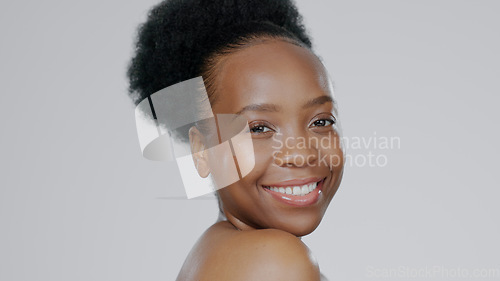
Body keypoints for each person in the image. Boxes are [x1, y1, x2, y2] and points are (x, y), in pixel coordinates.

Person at [127, 0, 345, 280]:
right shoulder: (275, 261)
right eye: (259, 128)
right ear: (202, 150)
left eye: (321, 122)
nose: (302, 154)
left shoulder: (213, 253)